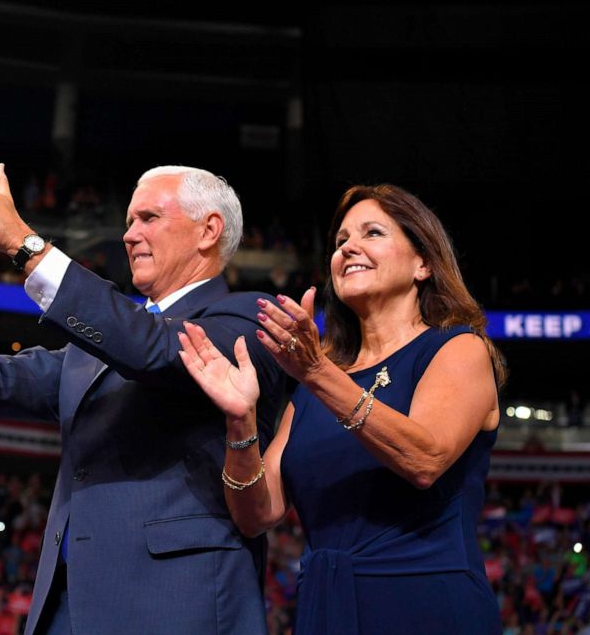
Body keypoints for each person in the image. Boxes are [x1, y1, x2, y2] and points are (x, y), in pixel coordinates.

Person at [0, 164, 285, 635]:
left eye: (147, 218)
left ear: (209, 230)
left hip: (176, 603)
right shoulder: (93, 349)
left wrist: (24, 243)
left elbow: (155, 351)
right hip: (68, 606)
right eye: (128, 222)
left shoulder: (250, 318)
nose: (129, 235)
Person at [177, 184, 505, 634]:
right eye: (340, 241)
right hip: (324, 607)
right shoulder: (315, 383)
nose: (348, 247)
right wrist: (241, 419)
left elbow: (425, 459)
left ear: (423, 263)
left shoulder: (458, 350)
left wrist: (317, 373)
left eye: (372, 233)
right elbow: (257, 515)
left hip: (427, 603)